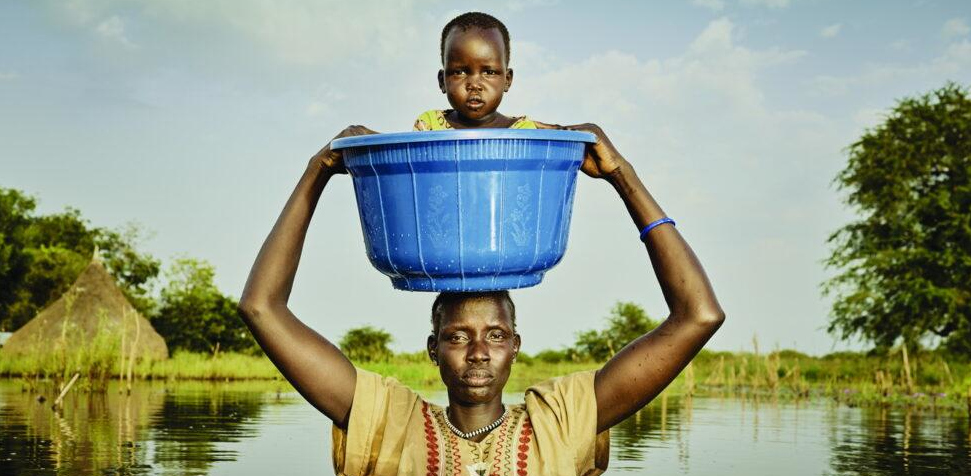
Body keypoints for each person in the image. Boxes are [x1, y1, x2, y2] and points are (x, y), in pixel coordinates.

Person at [238, 11, 724, 476]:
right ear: (433, 348)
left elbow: (700, 316)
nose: (477, 352)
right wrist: (316, 172)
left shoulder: (562, 423)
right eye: (457, 336)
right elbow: (261, 308)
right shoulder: (387, 422)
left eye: (494, 335)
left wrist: (623, 176)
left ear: (515, 346)